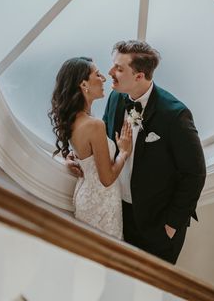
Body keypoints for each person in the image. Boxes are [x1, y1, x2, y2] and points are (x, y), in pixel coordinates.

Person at [66, 41, 206, 264]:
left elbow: (195, 174)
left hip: (157, 225)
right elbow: (104, 144)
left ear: (139, 76)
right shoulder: (115, 97)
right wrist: (76, 157)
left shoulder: (175, 115)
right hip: (118, 214)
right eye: (113, 66)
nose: (110, 73)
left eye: (119, 69)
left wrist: (171, 225)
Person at [49, 56, 133, 239]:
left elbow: (85, 154)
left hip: (87, 198)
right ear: (84, 85)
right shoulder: (94, 125)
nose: (103, 79)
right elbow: (107, 178)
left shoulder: (74, 120)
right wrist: (124, 152)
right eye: (98, 74)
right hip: (101, 205)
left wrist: (70, 158)